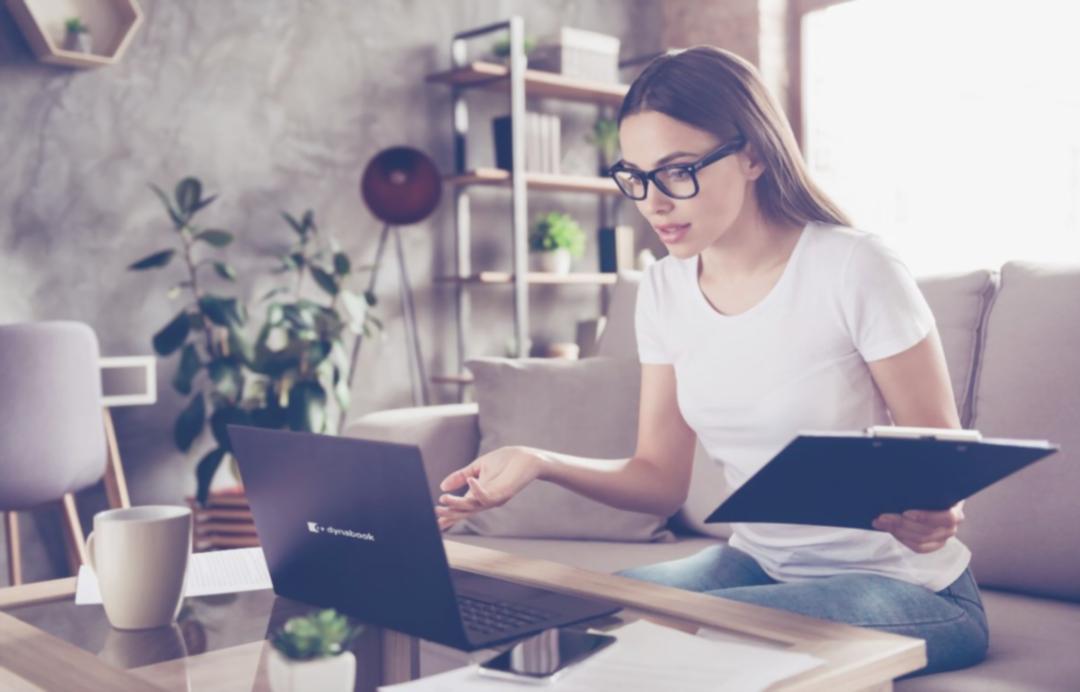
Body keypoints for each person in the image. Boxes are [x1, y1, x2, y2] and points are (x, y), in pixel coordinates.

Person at [436, 46, 988, 676]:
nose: (653, 203)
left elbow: (942, 465)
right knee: (596, 617)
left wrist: (937, 514)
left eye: (677, 171)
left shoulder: (855, 267)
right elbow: (658, 479)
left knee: (697, 644)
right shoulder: (664, 290)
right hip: (759, 562)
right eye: (636, 177)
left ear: (752, 153)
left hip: (910, 589)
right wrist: (539, 462)